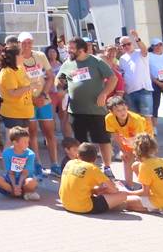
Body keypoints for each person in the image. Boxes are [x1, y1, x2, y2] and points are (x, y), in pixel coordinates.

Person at [57, 38, 117, 178]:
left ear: (81, 49)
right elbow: (59, 78)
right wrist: (60, 86)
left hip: (96, 110)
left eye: (71, 48)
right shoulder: (68, 63)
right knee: (81, 142)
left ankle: (107, 167)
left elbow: (113, 79)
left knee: (103, 140)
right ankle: (86, 168)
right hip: (76, 110)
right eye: (68, 48)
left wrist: (104, 94)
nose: (68, 50)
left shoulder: (96, 62)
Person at [15, 33, 59, 177]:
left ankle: (55, 164)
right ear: (19, 43)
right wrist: (32, 98)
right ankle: (37, 163)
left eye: (29, 42)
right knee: (32, 133)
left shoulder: (40, 55)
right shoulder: (16, 59)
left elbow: (50, 76)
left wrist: (43, 95)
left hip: (43, 99)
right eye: (24, 42)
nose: (27, 45)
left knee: (49, 132)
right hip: (27, 101)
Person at [126, 133, 163, 215]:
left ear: (136, 151)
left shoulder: (145, 166)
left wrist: (126, 193)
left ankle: (158, 209)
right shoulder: (162, 161)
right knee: (135, 165)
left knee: (125, 202)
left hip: (159, 200)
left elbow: (144, 192)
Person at [58, 142, 126, 215]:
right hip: (84, 207)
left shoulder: (70, 163)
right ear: (95, 158)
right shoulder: (92, 168)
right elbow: (114, 190)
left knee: (100, 190)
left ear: (78, 155)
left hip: (65, 204)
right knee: (123, 195)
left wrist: (99, 190)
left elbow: (77, 185)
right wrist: (115, 188)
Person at [104, 96, 153, 189]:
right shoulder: (109, 118)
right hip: (128, 138)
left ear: (127, 107)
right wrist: (123, 150)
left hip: (144, 137)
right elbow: (116, 136)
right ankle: (129, 185)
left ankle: (148, 187)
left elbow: (140, 140)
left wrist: (136, 154)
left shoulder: (136, 119)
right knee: (126, 159)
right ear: (112, 112)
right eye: (118, 110)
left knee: (143, 162)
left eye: (123, 109)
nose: (122, 112)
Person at [0, 126, 40, 201]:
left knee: (32, 182)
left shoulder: (30, 154)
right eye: (24, 142)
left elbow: (25, 173)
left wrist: (19, 185)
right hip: (11, 179)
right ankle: (15, 192)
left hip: (24, 179)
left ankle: (23, 191)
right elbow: (11, 173)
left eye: (28, 142)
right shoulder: (6, 153)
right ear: (15, 143)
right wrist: (15, 186)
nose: (27, 144)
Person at [117, 31, 152, 117]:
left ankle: (149, 131)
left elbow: (144, 49)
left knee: (146, 117)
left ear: (132, 43)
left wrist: (137, 38)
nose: (126, 46)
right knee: (134, 118)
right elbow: (122, 73)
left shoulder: (139, 53)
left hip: (143, 90)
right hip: (129, 92)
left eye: (128, 44)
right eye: (123, 45)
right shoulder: (122, 59)